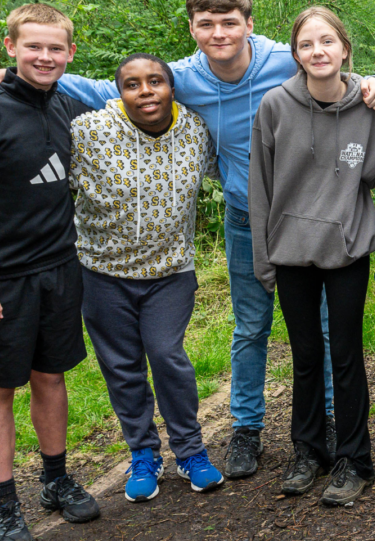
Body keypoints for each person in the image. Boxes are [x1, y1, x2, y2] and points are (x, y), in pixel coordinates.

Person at [0, 0, 375, 479]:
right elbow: (108, 89)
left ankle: (331, 425)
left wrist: (373, 80)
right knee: (251, 328)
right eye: (206, 24)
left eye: (230, 22)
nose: (219, 33)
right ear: (192, 30)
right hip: (245, 218)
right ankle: (247, 429)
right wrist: (11, 75)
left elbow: (333, 67)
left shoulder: (283, 59)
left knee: (323, 330)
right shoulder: (183, 77)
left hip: (315, 220)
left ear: (249, 25)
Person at [0, 3, 100, 541]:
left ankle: (56, 479)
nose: (45, 56)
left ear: (70, 53)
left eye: (55, 48)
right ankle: (3, 501)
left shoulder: (68, 107)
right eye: (33, 46)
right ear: (10, 47)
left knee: (51, 376)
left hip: (61, 268)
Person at [249, 6, 375, 507]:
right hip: (290, 252)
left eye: (327, 41)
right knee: (306, 356)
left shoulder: (372, 106)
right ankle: (308, 451)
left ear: (345, 48)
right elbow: (260, 188)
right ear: (295, 55)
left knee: (347, 355)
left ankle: (356, 459)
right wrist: (263, 259)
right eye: (307, 45)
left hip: (347, 249)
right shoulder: (274, 105)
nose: (318, 52)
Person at [70, 53, 225, 502]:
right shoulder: (88, 132)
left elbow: (234, 165)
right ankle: (143, 453)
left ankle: (191, 451)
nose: (146, 92)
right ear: (119, 92)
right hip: (102, 273)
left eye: (155, 81)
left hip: (169, 273)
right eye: (133, 85)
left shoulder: (195, 130)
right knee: (122, 367)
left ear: (171, 87)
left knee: (165, 354)